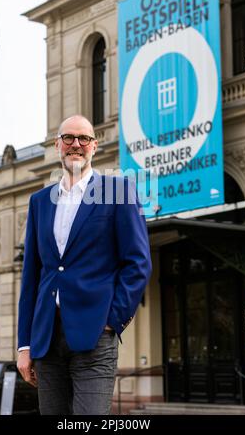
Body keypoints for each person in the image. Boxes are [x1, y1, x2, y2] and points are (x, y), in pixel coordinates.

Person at [17, 115, 152, 415]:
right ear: (57, 145)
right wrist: (24, 345)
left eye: (83, 139)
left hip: (95, 337)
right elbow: (31, 277)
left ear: (94, 146)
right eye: (68, 138)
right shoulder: (40, 201)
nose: (76, 145)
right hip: (46, 340)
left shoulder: (118, 192)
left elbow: (138, 264)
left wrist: (112, 320)